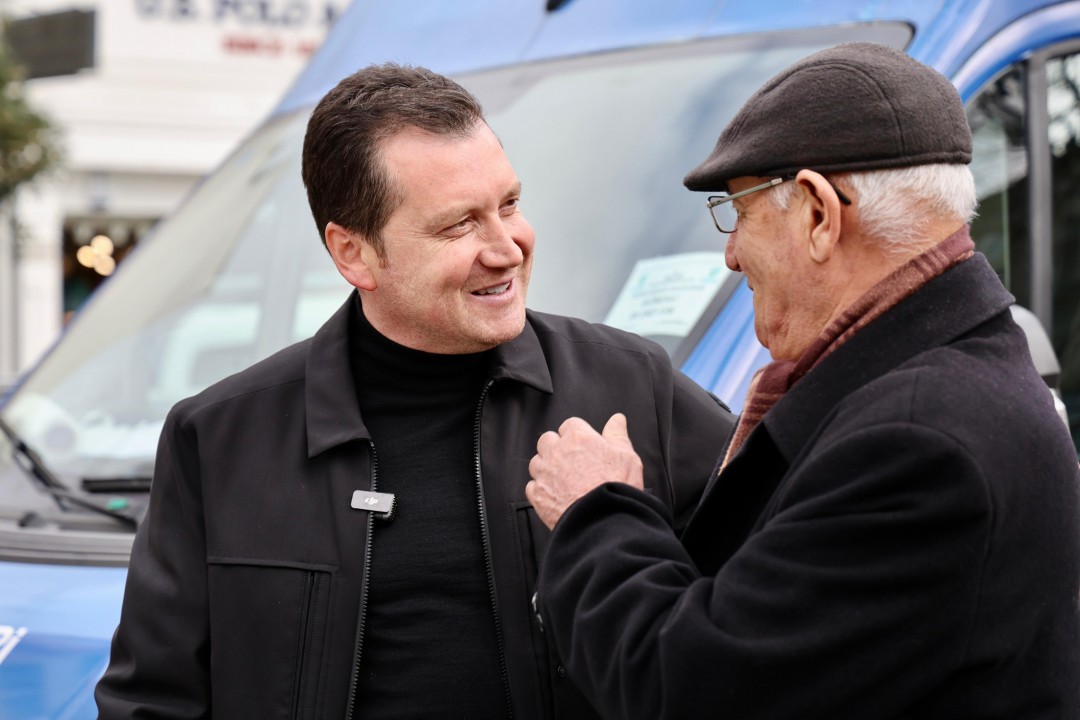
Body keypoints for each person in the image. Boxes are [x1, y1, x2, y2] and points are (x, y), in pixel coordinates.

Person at [93, 63, 733, 718]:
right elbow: (150, 703)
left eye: (509, 205)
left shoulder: (633, 388)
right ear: (353, 254)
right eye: (459, 225)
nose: (507, 248)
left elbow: (761, 632)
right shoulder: (218, 439)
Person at [526, 42, 1080, 719]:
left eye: (740, 212)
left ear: (818, 212)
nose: (731, 254)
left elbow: (692, 689)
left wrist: (597, 511)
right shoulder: (954, 379)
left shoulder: (918, 440)